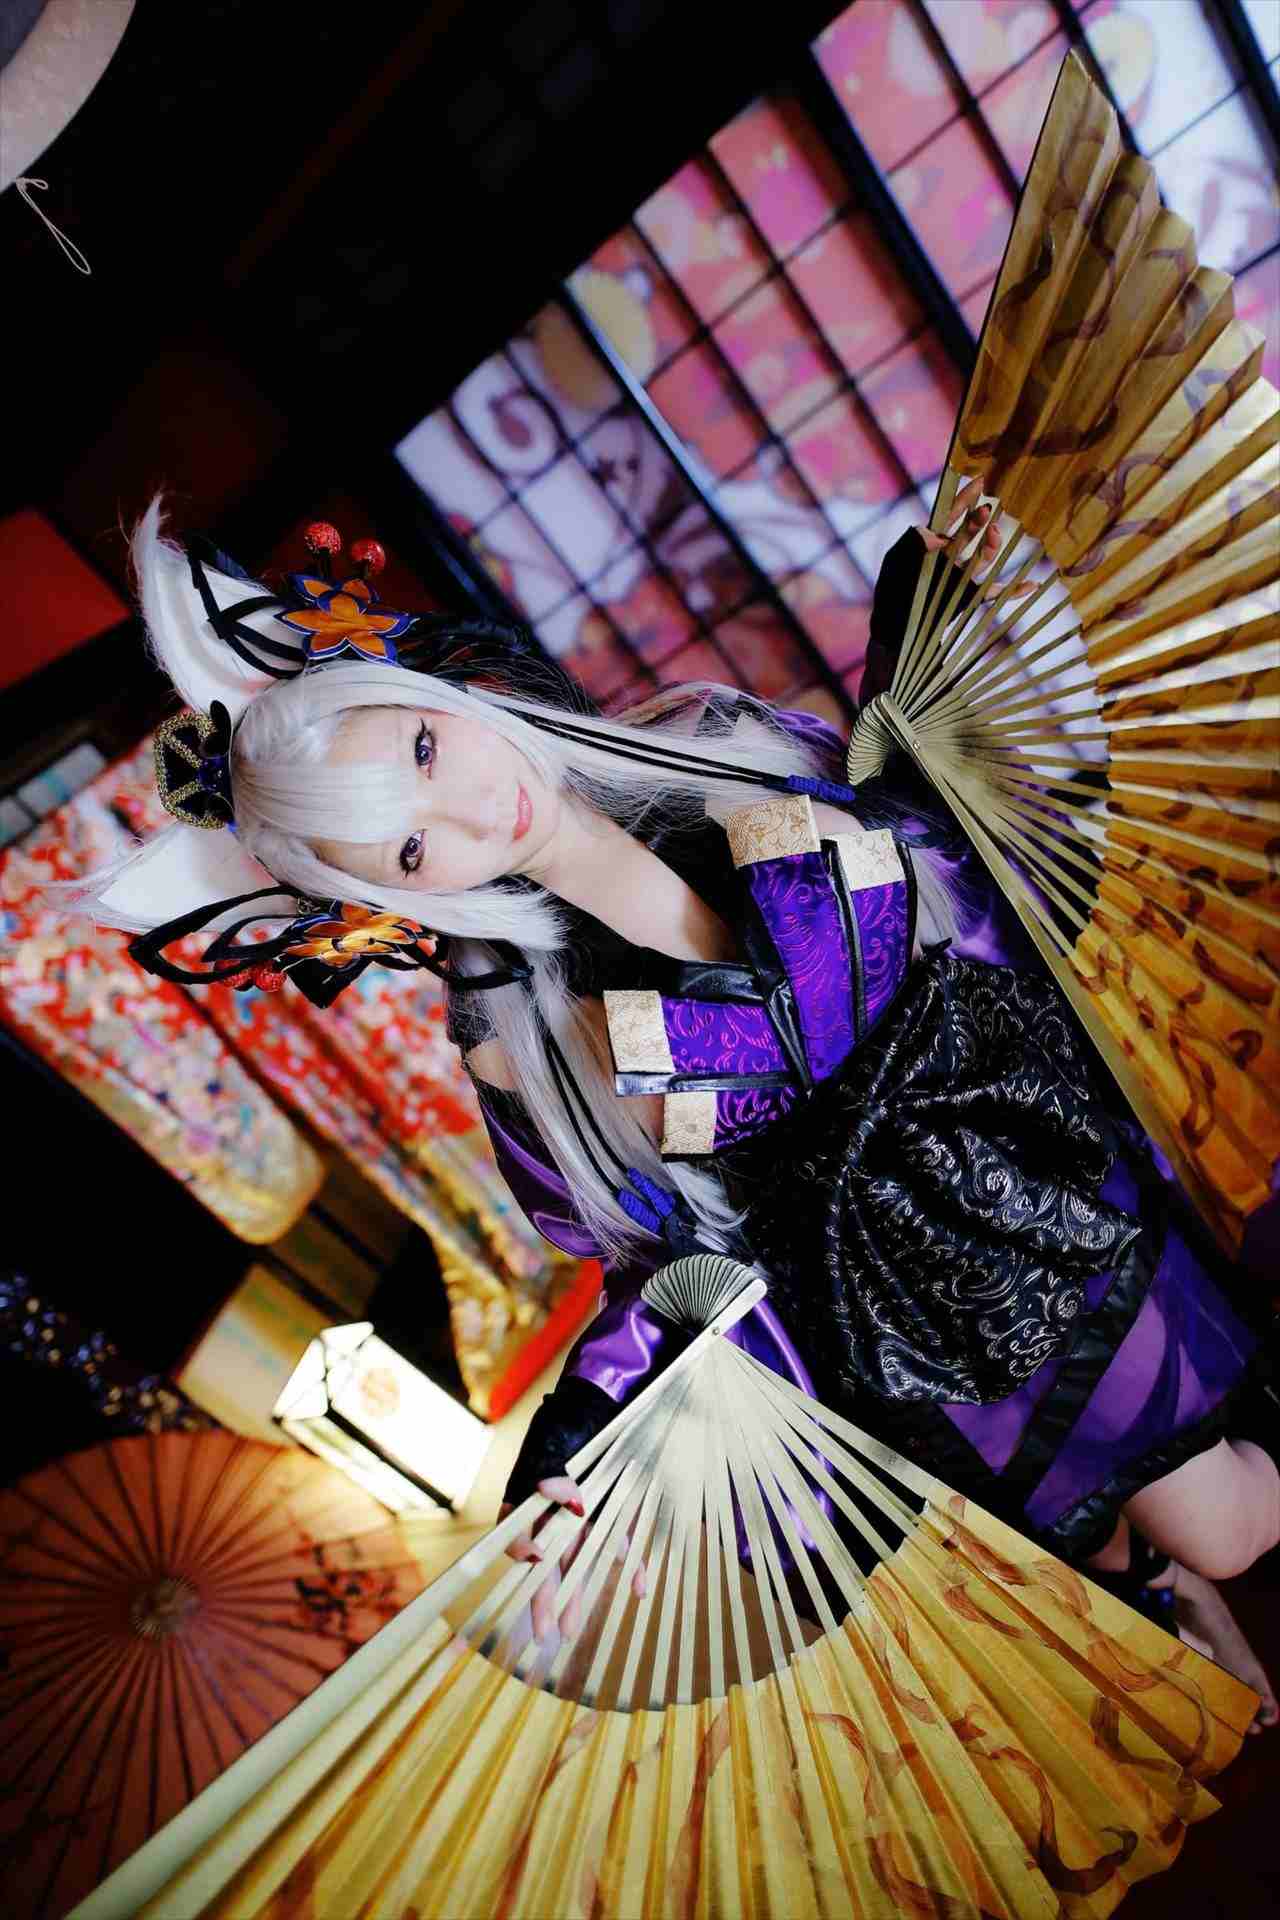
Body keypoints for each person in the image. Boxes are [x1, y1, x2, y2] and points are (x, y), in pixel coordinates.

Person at [57, 487, 1278, 1728]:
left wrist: (946, 613)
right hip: (891, 1305)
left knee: (1230, 1519)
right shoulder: (524, 1052)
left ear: (433, 693)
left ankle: (1183, 1572)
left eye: (423, 752)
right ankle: (1169, 1588)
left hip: (1033, 1159)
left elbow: (936, 839)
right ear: (403, 903)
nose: (471, 811)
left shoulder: (721, 747)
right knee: (1112, 1535)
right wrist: (572, 1451)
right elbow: (661, 1266)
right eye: (413, 851)